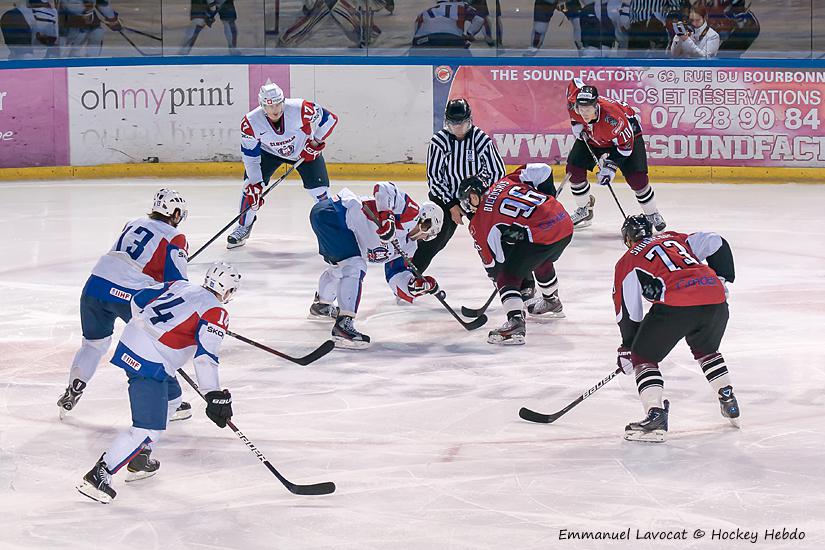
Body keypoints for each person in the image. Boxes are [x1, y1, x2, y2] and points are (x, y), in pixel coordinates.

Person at [76, 262, 241, 504]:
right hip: (150, 362)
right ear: (228, 291)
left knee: (173, 399)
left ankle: (140, 458)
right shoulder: (217, 312)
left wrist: (150, 330)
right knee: (146, 428)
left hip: (132, 344)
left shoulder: (180, 285)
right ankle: (100, 474)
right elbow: (205, 358)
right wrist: (213, 394)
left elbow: (139, 299)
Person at [58, 189, 192, 421]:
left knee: (93, 344)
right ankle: (172, 400)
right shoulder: (175, 237)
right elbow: (176, 283)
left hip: (95, 285)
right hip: (128, 295)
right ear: (176, 213)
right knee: (154, 341)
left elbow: (134, 256)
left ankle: (74, 387)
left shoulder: (133, 222)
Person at [614, 215, 739, 442]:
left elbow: (628, 310)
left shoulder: (628, 260)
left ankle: (655, 417)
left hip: (676, 305)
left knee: (644, 357)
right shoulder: (676, 238)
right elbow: (716, 241)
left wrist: (629, 347)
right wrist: (722, 278)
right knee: (706, 350)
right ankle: (727, 395)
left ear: (627, 238)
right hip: (715, 299)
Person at [308, 181, 444, 349]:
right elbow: (384, 188)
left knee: (340, 269)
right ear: (427, 222)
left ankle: (322, 305)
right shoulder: (410, 211)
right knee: (354, 267)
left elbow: (396, 277)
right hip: (335, 213)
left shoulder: (409, 246)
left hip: (338, 226)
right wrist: (387, 217)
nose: (425, 238)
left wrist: (415, 286)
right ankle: (344, 325)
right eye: (428, 233)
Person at [460, 163, 574, 345]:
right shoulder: (506, 181)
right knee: (537, 257)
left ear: (473, 197)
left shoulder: (479, 221)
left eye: (466, 201)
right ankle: (551, 300)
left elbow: (492, 265)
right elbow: (543, 170)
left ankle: (515, 323)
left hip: (540, 234)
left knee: (506, 276)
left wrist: (507, 284)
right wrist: (548, 193)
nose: (468, 208)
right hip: (564, 222)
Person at [227, 82, 338, 249]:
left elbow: (329, 119)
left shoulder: (300, 108)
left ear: (283, 101)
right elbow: (251, 156)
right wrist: (256, 184)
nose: (275, 110)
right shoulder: (250, 123)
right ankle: (243, 225)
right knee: (249, 189)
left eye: (278, 104)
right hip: (268, 153)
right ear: (262, 106)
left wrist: (315, 142)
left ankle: (336, 229)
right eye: (269, 106)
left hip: (303, 151)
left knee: (320, 193)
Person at [414, 98, 505, 274]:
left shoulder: (481, 140)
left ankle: (519, 283)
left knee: (495, 238)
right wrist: (451, 204)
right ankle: (409, 278)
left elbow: (497, 173)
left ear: (469, 120)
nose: (458, 128)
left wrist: (477, 193)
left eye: (462, 123)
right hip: (445, 197)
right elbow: (434, 178)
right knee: (435, 238)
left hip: (476, 198)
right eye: (454, 124)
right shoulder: (439, 142)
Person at [565, 79, 667, 231]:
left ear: (596, 105)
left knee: (637, 179)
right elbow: (574, 85)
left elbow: (625, 146)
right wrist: (577, 124)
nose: (584, 113)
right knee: (574, 171)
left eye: (588, 109)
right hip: (593, 134)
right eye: (581, 109)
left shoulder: (613, 119)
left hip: (627, 137)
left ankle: (651, 213)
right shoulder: (574, 104)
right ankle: (584, 209)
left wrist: (610, 168)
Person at [57, 0, 122, 57]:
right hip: (69, 26)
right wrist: (112, 19)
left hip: (87, 25)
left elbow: (101, 3)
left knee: (97, 34)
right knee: (72, 53)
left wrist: (112, 20)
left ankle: (91, 63)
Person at [412, 0, 485, 48]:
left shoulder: (424, 11)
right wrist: (469, 34)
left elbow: (416, 31)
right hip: (452, 39)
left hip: (424, 40)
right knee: (465, 64)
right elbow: (479, 19)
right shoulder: (460, 6)